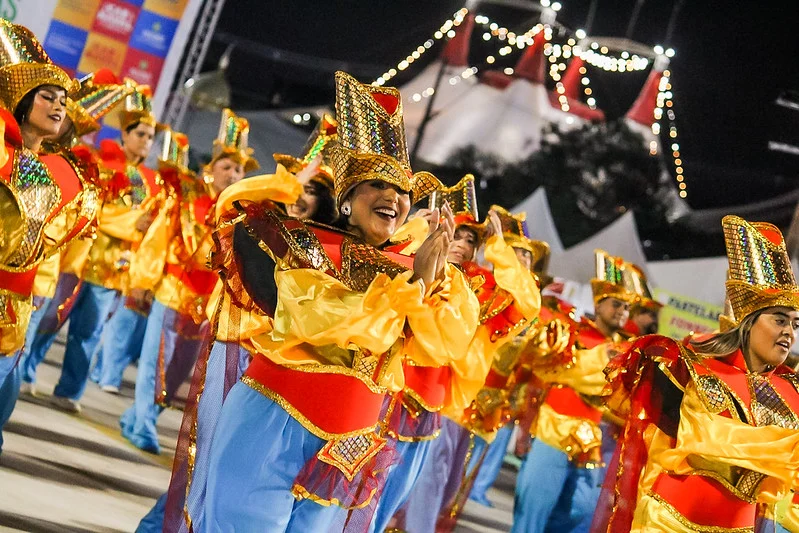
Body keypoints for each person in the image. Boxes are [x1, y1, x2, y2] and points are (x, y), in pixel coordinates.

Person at [201, 70, 478, 532]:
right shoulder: (309, 247)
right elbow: (318, 318)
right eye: (377, 185)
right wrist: (415, 287)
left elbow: (447, 345)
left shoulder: (423, 269)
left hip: (354, 438)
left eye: (404, 192)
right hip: (277, 414)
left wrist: (426, 283)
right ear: (346, 200)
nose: (393, 197)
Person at [151, 112, 339, 533]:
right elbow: (227, 204)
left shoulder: (332, 249)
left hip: (279, 378)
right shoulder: (259, 225)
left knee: (233, 476)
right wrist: (283, 185)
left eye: (310, 189)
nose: (297, 193)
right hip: (235, 352)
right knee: (206, 462)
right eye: (292, 183)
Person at [595, 215, 799, 533]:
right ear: (748, 323)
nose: (789, 332)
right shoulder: (697, 367)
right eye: (779, 320)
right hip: (671, 522)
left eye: (795, 324)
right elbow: (708, 439)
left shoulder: (790, 392)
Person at [390, 201, 542, 533]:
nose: (460, 244)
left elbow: (527, 306)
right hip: (390, 389)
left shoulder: (482, 290)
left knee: (433, 488)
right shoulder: (409, 263)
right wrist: (419, 228)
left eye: (470, 240)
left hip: (443, 402)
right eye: (454, 235)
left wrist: (501, 251)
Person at [19, 79, 162, 412]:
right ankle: (24, 372)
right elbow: (96, 210)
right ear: (124, 134)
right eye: (139, 134)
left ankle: (69, 391)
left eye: (150, 137)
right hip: (76, 257)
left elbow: (144, 222)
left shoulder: (147, 182)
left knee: (88, 333)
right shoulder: (99, 161)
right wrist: (129, 224)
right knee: (48, 319)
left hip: (109, 268)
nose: (144, 141)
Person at [0, 17, 99, 451]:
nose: (59, 106)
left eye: (63, 100)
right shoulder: (4, 153)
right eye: (47, 97)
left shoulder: (65, 174)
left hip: (17, 308)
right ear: (22, 103)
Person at [511, 249, 638, 533]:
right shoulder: (573, 333)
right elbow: (549, 371)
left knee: (580, 512)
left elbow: (619, 399)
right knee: (532, 512)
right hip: (551, 432)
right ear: (599, 303)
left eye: (627, 307)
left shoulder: (626, 351)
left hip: (589, 439)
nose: (622, 312)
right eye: (616, 304)